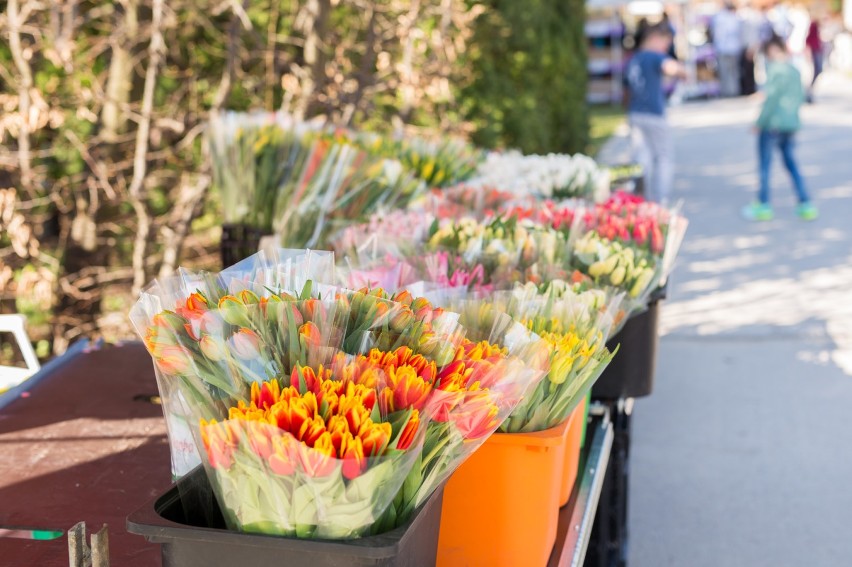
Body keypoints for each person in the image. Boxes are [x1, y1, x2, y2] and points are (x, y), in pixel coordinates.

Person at [742, 37, 818, 221]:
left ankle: (763, 204)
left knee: (765, 166)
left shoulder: (775, 70)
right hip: (790, 125)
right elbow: (799, 96)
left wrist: (758, 123)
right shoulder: (794, 69)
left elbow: (771, 100)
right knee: (791, 164)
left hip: (773, 125)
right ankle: (805, 203)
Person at [624, 23, 686, 205]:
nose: (666, 47)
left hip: (635, 112)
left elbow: (626, 91)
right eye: (665, 42)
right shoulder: (654, 56)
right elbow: (671, 68)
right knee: (663, 157)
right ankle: (659, 202)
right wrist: (682, 71)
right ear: (653, 38)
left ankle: (640, 198)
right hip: (654, 113)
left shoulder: (633, 59)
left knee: (641, 157)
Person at [712, 2, 745, 96]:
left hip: (724, 48)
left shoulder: (720, 18)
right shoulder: (734, 18)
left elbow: (718, 35)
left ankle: (728, 91)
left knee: (726, 71)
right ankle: (733, 90)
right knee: (733, 71)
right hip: (733, 48)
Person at [805, 17, 823, 102]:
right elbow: (808, 38)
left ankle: (810, 89)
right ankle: (809, 90)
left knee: (818, 69)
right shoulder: (813, 24)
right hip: (814, 49)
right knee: (816, 69)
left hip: (817, 49)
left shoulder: (817, 24)